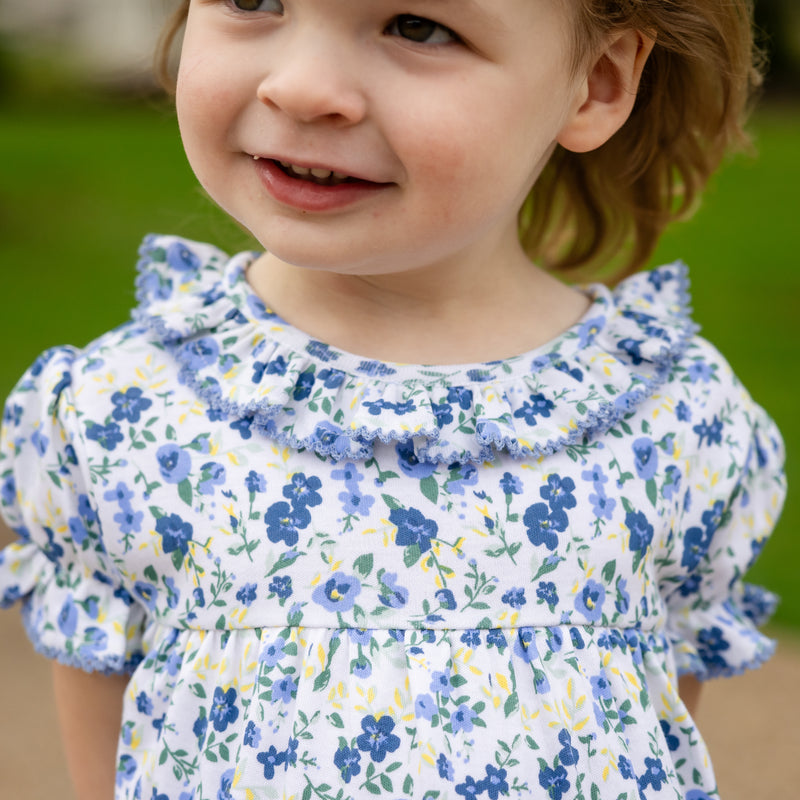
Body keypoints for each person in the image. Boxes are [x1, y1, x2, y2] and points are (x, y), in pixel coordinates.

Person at [0, 1, 786, 799]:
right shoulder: (123, 410)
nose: (304, 88)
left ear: (598, 84)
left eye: (416, 26)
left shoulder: (673, 422)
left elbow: (660, 734)